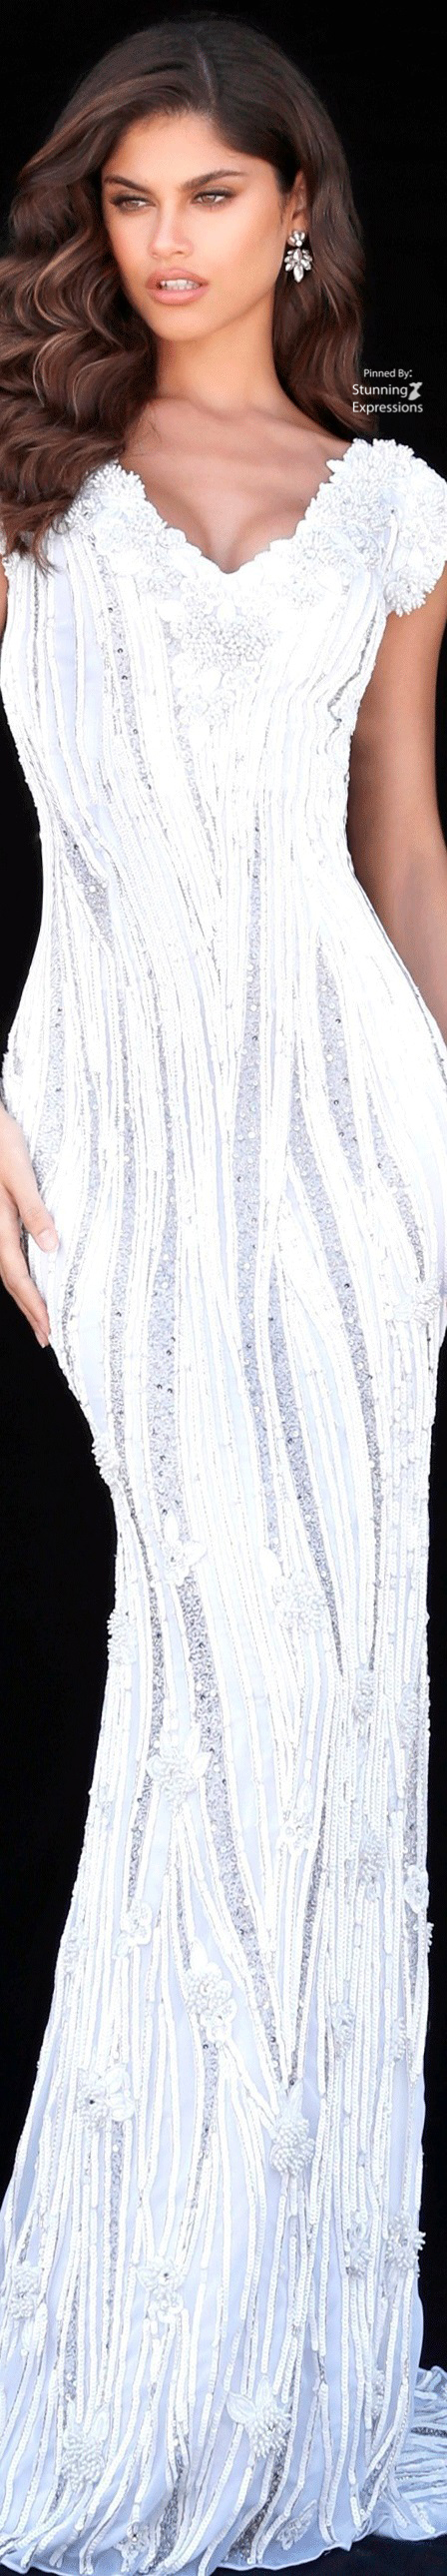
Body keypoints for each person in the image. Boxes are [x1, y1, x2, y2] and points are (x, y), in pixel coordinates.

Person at [0, 13, 447, 2567]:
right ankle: (140, 2323)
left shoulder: (391, 511)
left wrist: (443, 1135)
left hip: (350, 1147)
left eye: (210, 195)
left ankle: (284, 2330)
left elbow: (401, 844)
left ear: (294, 215)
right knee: (203, 1664)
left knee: (334, 1710)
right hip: (128, 1126)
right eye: (129, 199)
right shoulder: (32, 488)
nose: (164, 241)